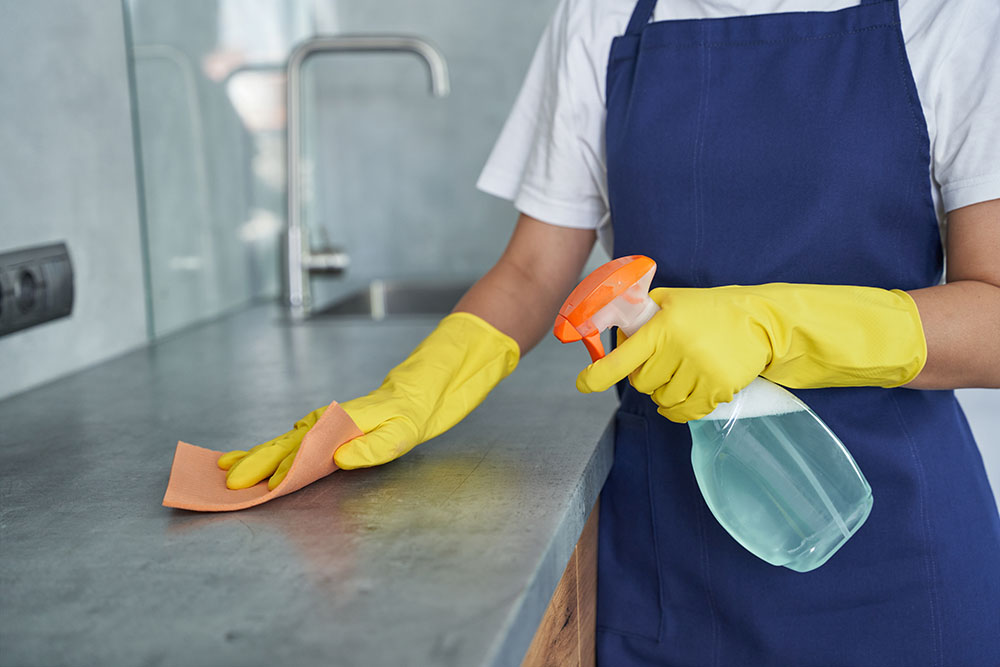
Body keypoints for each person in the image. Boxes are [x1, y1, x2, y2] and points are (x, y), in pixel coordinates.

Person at [219, 0, 1000, 663]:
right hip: (672, 556)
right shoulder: (606, 13)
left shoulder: (953, 15)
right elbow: (531, 271)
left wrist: (768, 325)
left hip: (898, 556)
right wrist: (414, 391)